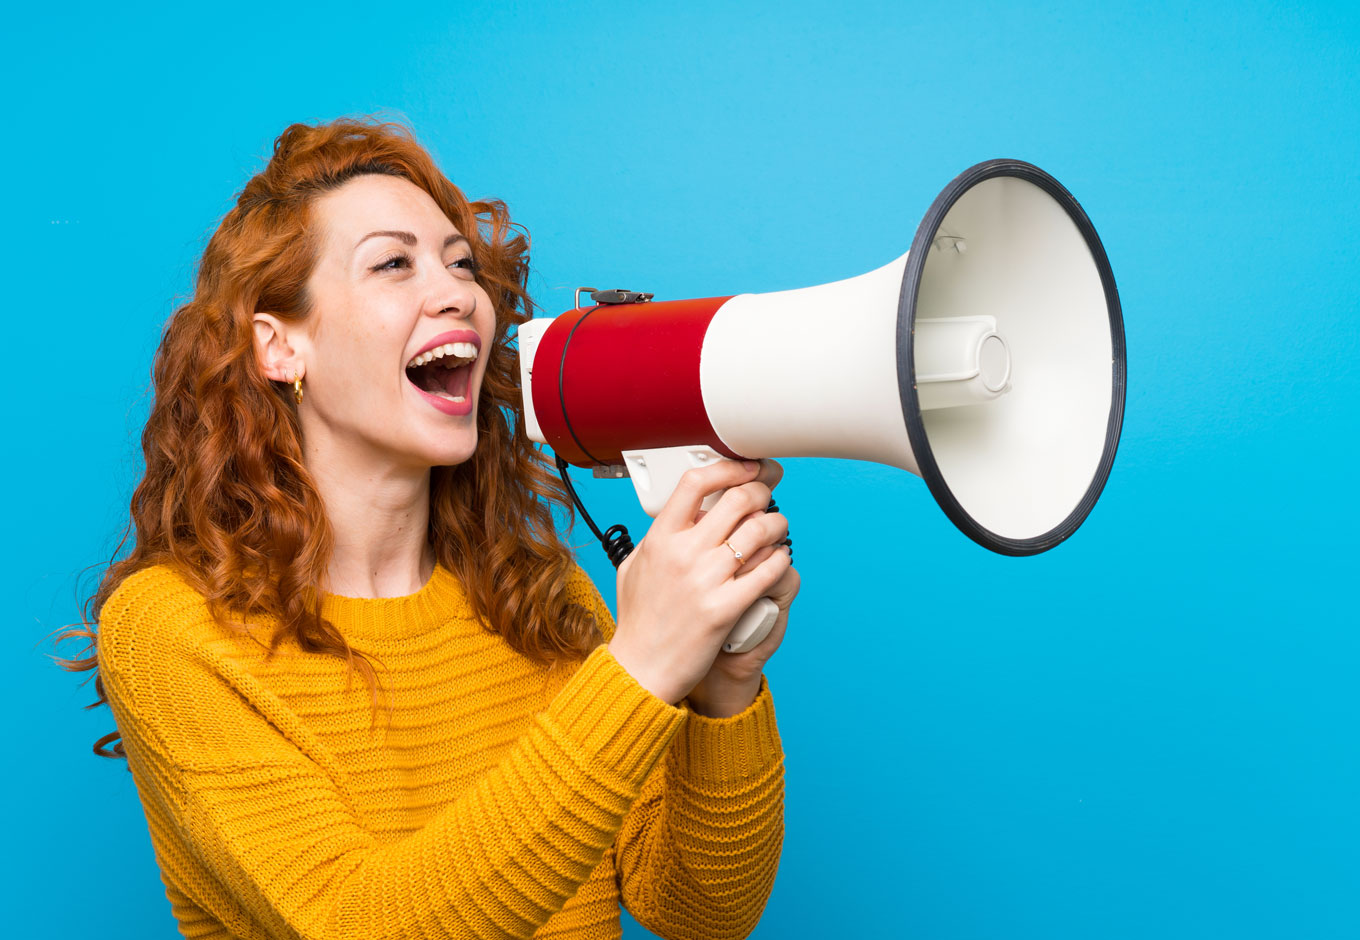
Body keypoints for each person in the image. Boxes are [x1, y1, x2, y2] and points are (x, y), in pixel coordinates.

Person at [59, 116, 799, 940]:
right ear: (279, 347)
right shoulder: (171, 632)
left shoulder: (534, 596)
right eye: (392, 264)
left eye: (458, 263)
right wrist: (642, 665)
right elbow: (360, 923)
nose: (456, 293)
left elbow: (699, 912)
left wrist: (722, 690)